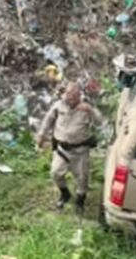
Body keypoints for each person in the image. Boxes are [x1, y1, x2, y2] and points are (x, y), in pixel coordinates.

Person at [36, 82, 102, 214]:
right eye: (68, 95)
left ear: (78, 96)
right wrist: (41, 135)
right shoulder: (59, 105)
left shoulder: (86, 107)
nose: (70, 99)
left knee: (82, 178)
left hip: (80, 151)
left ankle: (80, 202)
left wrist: (90, 111)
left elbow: (99, 122)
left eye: (73, 96)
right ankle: (65, 194)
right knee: (55, 173)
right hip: (62, 149)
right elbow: (48, 120)